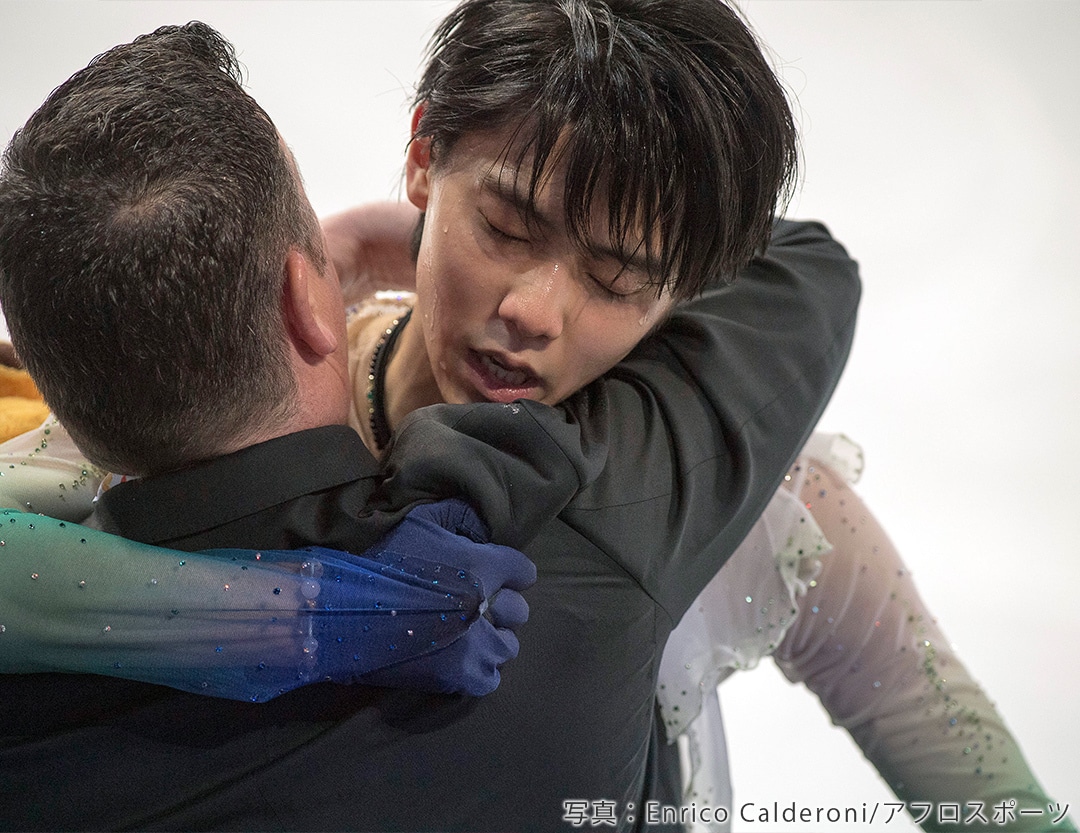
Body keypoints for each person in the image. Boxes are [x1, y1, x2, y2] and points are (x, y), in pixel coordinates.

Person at [0, 7, 858, 832]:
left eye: (616, 278)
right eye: (506, 227)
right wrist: (306, 614)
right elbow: (810, 269)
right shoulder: (595, 523)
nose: (533, 310)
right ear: (420, 158)